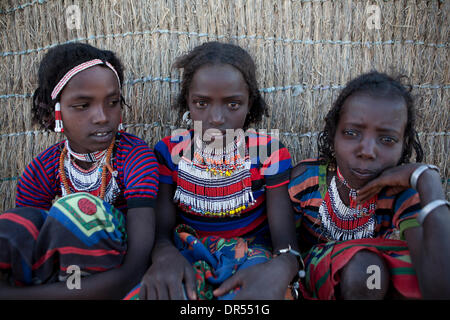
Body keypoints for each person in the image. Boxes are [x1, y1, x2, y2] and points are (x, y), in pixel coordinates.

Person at [126, 42, 300, 300]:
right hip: (187, 254)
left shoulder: (269, 152)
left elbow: (285, 243)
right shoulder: (169, 152)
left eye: (232, 104)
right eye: (201, 103)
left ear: (250, 103)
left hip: (252, 258)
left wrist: (282, 268)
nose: (216, 117)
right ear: (187, 101)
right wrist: (165, 256)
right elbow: (161, 232)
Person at [0, 43, 159, 299]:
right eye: (83, 105)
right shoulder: (42, 169)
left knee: (78, 210)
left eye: (113, 102)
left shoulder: (135, 157)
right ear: (54, 113)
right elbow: (28, 243)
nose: (101, 117)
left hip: (119, 273)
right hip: (62, 275)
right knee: (12, 225)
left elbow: (136, 267)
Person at [288, 71, 450, 299]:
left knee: (412, 267)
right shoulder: (307, 180)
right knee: (366, 268)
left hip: (374, 282)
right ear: (333, 133)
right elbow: (285, 251)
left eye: (387, 140)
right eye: (351, 133)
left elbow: (440, 286)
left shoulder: (400, 194)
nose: (367, 151)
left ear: (404, 145)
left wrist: (427, 179)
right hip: (316, 278)